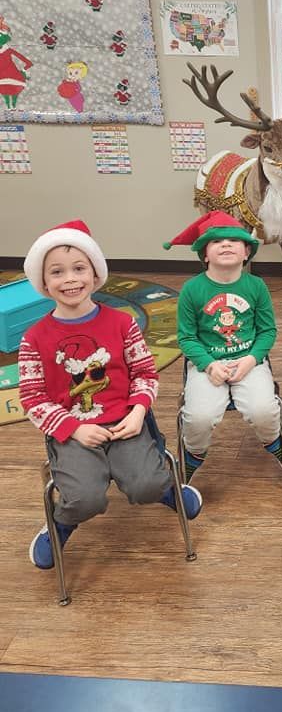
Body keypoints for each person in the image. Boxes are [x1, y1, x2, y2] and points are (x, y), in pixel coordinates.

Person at [19, 220, 202, 571]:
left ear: (96, 274)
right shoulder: (34, 338)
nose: (70, 279)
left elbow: (145, 374)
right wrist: (73, 428)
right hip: (73, 431)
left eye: (79, 268)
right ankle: (61, 521)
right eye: (57, 272)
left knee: (145, 485)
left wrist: (137, 412)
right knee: (85, 498)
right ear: (44, 282)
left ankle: (166, 491)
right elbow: (32, 398)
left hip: (125, 422)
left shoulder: (122, 323)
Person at [164, 210, 282, 479]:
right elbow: (187, 338)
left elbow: (267, 331)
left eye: (233, 240)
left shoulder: (256, 286)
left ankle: (274, 441)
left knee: (263, 410)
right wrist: (209, 365)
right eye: (216, 241)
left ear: (246, 252)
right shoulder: (192, 290)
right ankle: (193, 453)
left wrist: (251, 360)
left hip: (249, 361)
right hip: (207, 364)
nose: (225, 244)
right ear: (204, 254)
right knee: (199, 417)